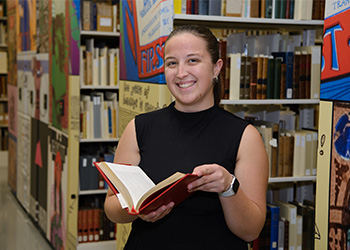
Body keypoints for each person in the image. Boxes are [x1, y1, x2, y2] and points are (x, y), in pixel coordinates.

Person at [104, 24, 269, 249]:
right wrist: (138, 209)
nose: (181, 73)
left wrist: (228, 187)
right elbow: (111, 208)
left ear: (216, 68)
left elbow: (251, 231)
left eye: (193, 60)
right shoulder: (139, 128)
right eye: (172, 63)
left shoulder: (245, 137)